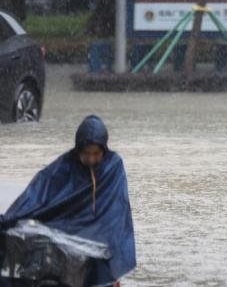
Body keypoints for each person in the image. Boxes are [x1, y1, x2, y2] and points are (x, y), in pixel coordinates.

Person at [0, 115, 136, 287]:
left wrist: (97, 232)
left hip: (99, 230)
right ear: (78, 149)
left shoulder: (113, 166)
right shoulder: (64, 165)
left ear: (104, 150)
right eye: (86, 153)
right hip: (65, 226)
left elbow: (117, 210)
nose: (92, 159)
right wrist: (13, 217)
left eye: (96, 154)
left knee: (100, 257)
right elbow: (37, 196)